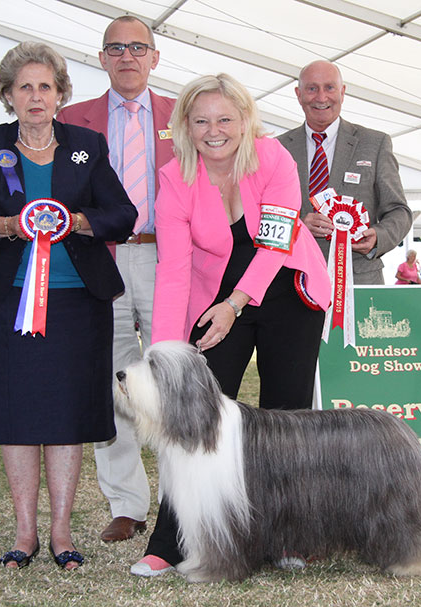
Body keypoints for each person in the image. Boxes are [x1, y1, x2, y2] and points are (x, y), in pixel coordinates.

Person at [130, 73, 331, 577]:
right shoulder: (175, 177)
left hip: (285, 284)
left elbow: (277, 239)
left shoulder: (273, 158)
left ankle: (286, 537)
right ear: (184, 126)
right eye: (201, 121)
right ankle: (171, 540)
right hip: (214, 293)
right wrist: (162, 357)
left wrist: (237, 303)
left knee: (286, 419)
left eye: (225, 118)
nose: (213, 130)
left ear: (245, 120)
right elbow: (173, 269)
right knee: (194, 418)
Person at [0, 42, 137, 570]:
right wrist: (6, 225)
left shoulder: (86, 146)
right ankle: (24, 536)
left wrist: (74, 220)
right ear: (7, 95)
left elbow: (123, 214)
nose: (36, 96)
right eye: (24, 86)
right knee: (16, 417)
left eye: (46, 86)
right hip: (6, 306)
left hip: (76, 305)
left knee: (67, 419)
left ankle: (63, 534)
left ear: (62, 94)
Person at [57, 16, 175, 542]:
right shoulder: (72, 119)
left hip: (165, 259)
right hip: (96, 258)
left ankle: (181, 498)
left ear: (154, 57)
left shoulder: (186, 114)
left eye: (137, 47)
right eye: (115, 48)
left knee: (174, 380)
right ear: (101, 59)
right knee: (113, 381)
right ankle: (126, 504)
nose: (126, 56)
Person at [278, 60, 412, 284]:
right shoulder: (278, 148)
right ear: (298, 94)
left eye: (329, 87)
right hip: (292, 280)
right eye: (312, 88)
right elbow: (261, 215)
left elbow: (399, 211)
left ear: (342, 92)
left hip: (359, 280)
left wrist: (379, 236)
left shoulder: (375, 143)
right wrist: (297, 225)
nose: (321, 97)